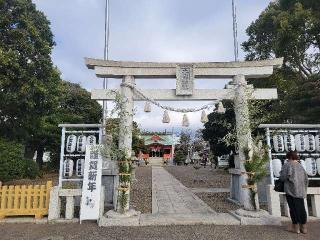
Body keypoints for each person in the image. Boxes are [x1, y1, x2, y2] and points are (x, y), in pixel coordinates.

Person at [279, 151, 309, 234]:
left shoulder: (287, 165)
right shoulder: (300, 166)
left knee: (293, 208)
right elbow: (306, 179)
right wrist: (304, 189)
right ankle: (304, 228)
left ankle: (295, 228)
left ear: (289, 157)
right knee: (301, 208)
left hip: (291, 190)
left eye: (287, 157)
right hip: (301, 190)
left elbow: (283, 177)